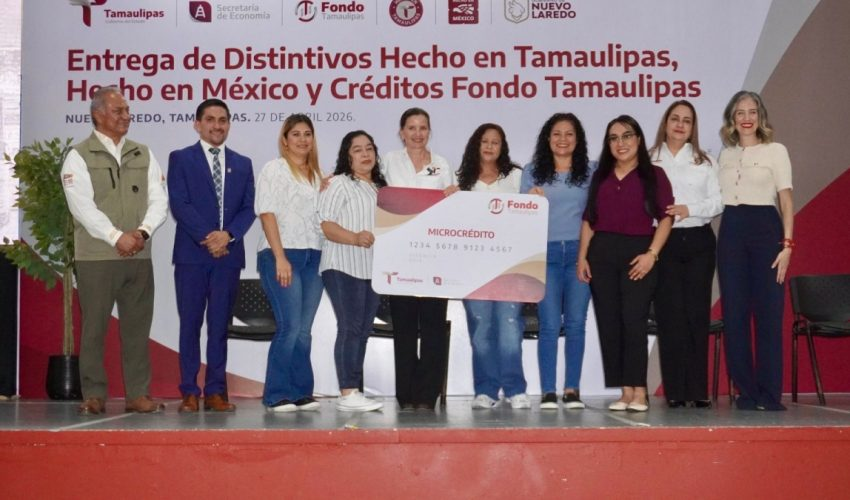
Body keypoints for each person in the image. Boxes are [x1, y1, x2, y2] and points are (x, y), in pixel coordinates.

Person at [61, 86, 168, 415]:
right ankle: (93, 394)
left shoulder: (143, 153)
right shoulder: (79, 155)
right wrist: (115, 236)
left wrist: (143, 232)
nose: (126, 116)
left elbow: (159, 200)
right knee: (94, 327)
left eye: (127, 110)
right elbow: (82, 207)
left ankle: (138, 395)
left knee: (138, 328)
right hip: (97, 257)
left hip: (138, 254)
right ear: (98, 115)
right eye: (118, 111)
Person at [577, 115, 674, 412]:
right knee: (609, 322)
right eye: (614, 138)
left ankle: (639, 391)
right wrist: (582, 257)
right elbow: (589, 220)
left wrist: (652, 254)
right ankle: (624, 391)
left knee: (634, 320)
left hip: (639, 253)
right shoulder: (601, 176)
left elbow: (666, 218)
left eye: (627, 136)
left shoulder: (654, 174)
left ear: (639, 140)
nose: (621, 143)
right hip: (602, 254)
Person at [168, 98, 256, 413]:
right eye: (210, 119)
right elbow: (179, 203)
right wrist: (210, 237)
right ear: (197, 124)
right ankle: (190, 391)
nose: (217, 126)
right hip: (192, 256)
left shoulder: (243, 163)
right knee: (190, 325)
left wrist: (227, 235)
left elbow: (249, 207)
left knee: (219, 327)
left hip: (228, 257)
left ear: (228, 124)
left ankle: (216, 391)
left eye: (223, 120)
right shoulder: (181, 158)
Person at [717, 91, 793, 411]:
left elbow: (786, 199)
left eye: (752, 111)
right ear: (732, 120)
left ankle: (769, 394)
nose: (746, 118)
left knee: (769, 315)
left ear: (760, 117)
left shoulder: (776, 151)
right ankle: (746, 392)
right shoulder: (724, 156)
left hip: (766, 230)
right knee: (734, 315)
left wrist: (787, 244)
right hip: (732, 231)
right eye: (740, 112)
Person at [381, 107, 458, 410]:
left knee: (433, 328)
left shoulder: (442, 165)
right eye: (411, 128)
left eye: (422, 127)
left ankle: (427, 395)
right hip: (398, 256)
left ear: (429, 131)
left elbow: (452, 208)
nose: (417, 133)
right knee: (404, 328)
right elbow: (365, 182)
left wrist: (455, 196)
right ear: (401, 132)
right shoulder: (388, 161)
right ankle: (406, 394)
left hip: (435, 257)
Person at [649, 100, 722, 409]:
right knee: (669, 316)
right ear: (665, 124)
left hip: (698, 241)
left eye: (687, 120)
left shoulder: (705, 161)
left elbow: (719, 201)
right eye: (675, 119)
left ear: (693, 128)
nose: (680, 125)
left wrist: (689, 209)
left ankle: (697, 390)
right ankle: (675, 391)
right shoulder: (649, 159)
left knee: (696, 314)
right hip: (663, 242)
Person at [521, 113, 594, 410]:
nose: (563, 139)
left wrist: (585, 256)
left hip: (580, 254)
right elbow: (520, 216)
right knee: (549, 325)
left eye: (569, 134)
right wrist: (529, 200)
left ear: (578, 140)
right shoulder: (531, 171)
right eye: (557, 134)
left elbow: (595, 215)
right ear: (547, 139)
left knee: (576, 323)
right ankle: (548, 391)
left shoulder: (591, 171)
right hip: (545, 255)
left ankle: (572, 389)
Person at [457, 123, 529, 410]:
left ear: (503, 147)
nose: (489, 146)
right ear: (476, 145)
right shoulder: (461, 180)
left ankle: (515, 389)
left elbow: (529, 217)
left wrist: (535, 198)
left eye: (495, 142)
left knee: (510, 329)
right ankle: (485, 390)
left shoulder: (516, 177)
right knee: (481, 331)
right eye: (484, 141)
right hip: (472, 270)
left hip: (511, 268)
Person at [255, 114, 324, 412]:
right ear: (285, 140)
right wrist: (280, 257)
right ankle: (277, 394)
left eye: (307, 134)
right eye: (295, 134)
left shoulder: (318, 176)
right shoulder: (274, 169)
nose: (302, 139)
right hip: (282, 255)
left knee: (304, 330)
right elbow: (266, 212)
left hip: (314, 257)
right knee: (290, 327)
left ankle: (300, 392)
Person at [319, 130, 387, 412]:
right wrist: (354, 237)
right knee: (350, 328)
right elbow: (325, 225)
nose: (365, 154)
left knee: (363, 330)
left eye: (369, 148)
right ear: (347, 156)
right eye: (357, 150)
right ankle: (347, 392)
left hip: (372, 269)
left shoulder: (382, 188)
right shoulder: (339, 183)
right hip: (342, 264)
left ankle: (354, 391)